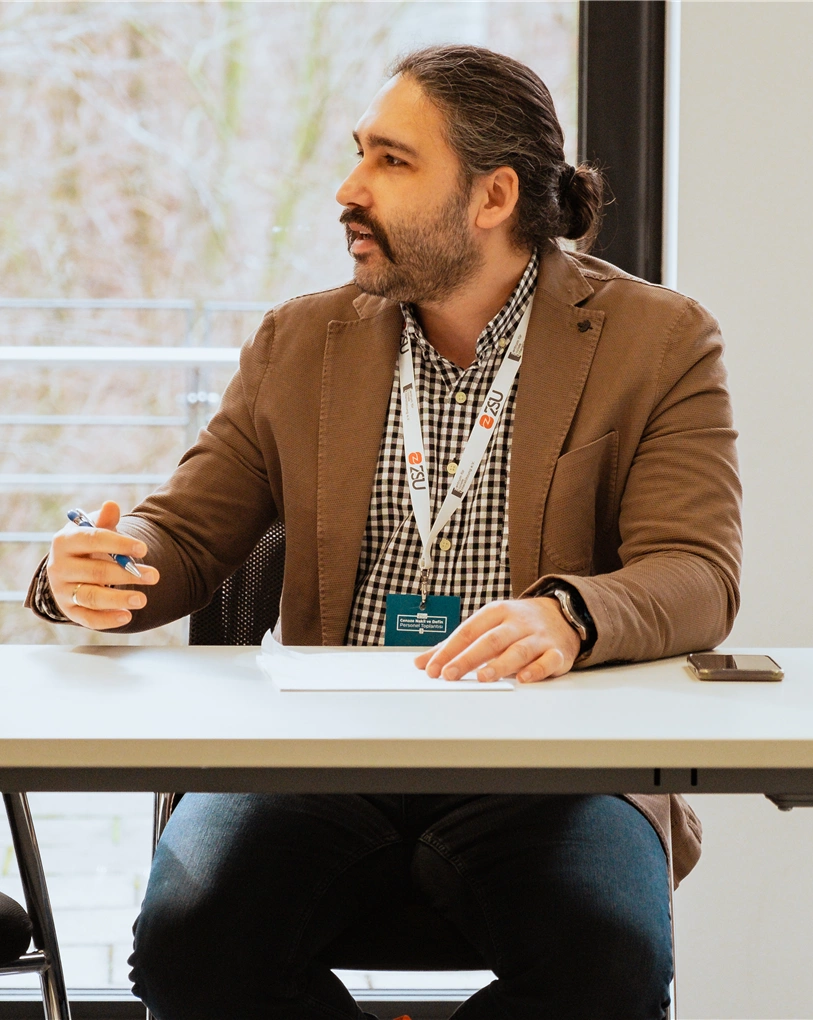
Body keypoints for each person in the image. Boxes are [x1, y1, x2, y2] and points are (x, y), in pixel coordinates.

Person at [28, 45, 741, 1020]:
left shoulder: (658, 341)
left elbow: (696, 571)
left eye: (392, 161)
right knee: (193, 946)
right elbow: (183, 538)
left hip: (552, 762)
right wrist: (98, 571)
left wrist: (570, 616)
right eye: (359, 153)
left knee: (605, 964)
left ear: (493, 197)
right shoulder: (300, 341)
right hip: (316, 755)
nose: (348, 189)